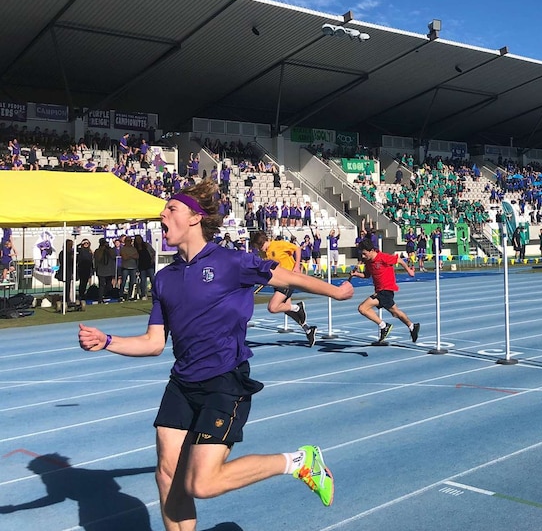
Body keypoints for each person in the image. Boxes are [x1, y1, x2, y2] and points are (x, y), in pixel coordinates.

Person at [78, 180, 353, 531]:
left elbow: (284, 275)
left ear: (194, 217)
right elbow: (153, 342)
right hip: (182, 384)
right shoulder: (164, 279)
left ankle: (299, 461)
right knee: (166, 475)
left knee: (201, 484)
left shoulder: (231, 261)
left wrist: (336, 292)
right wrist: (108, 340)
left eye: (171, 209)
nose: (162, 214)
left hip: (224, 381)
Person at [250, 231, 319, 347]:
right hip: (278, 282)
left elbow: (297, 248)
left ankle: (298, 307)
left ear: (260, 243)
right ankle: (308, 330)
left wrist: (297, 266)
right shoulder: (263, 253)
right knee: (286, 309)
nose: (257, 249)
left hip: (287, 281)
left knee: (273, 307)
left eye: (257, 246)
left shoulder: (278, 244)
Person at [352, 238, 420, 344]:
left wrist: (409, 271)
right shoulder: (368, 262)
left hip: (386, 290)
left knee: (363, 308)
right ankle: (412, 326)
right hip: (380, 290)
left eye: (365, 254)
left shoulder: (383, 257)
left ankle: (384, 326)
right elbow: (367, 275)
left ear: (371, 250)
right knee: (395, 312)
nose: (363, 256)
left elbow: (399, 260)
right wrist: (356, 274)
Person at [133, 235, 156, 300]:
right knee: (143, 280)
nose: (138, 240)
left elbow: (153, 252)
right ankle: (143, 294)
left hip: (149, 264)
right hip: (141, 265)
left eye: (139, 239)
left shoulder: (146, 245)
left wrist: (152, 259)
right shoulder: (135, 248)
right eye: (137, 239)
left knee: (152, 278)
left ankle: (155, 292)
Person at [93, 238, 115, 302]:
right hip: (101, 270)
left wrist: (108, 249)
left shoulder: (110, 249)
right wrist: (102, 250)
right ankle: (100, 298)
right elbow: (98, 258)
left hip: (109, 270)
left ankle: (105, 294)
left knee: (109, 285)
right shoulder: (97, 251)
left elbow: (113, 256)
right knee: (101, 285)